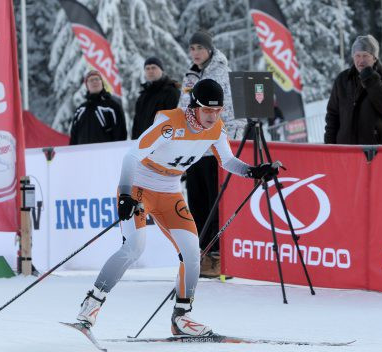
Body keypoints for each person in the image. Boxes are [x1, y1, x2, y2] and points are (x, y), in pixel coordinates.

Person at [74, 79, 280, 337]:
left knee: (192, 252)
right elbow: (131, 156)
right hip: (139, 184)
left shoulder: (216, 128)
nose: (212, 116)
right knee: (134, 247)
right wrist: (126, 194)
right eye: (207, 110)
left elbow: (227, 161)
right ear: (194, 106)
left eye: (217, 111)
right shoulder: (170, 123)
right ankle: (91, 304)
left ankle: (181, 317)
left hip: (170, 190)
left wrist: (253, 172)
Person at [179, 30, 246, 278]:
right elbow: (181, 109)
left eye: (199, 48)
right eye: (192, 48)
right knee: (196, 202)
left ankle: (218, 255)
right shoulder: (189, 75)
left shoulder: (221, 72)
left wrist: (229, 139)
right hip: (194, 149)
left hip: (216, 148)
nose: (195, 53)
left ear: (209, 49)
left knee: (215, 203)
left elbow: (232, 110)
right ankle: (203, 253)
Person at [324, 35, 382, 145]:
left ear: (374, 57)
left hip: (376, 151)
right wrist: (329, 146)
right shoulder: (342, 79)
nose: (361, 60)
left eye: (365, 55)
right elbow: (332, 115)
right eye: (357, 55)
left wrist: (371, 79)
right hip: (346, 151)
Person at [69, 70, 127, 145]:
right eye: (91, 80)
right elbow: (74, 137)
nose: (94, 82)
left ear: (102, 83)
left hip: (106, 153)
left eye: (97, 79)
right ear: (87, 85)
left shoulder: (112, 106)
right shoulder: (80, 110)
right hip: (83, 153)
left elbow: (121, 133)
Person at [131, 57, 180, 139]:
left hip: (163, 142)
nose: (150, 71)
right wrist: (135, 141)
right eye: (147, 68)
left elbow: (176, 120)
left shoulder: (171, 92)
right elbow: (136, 123)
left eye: (154, 67)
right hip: (143, 144)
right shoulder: (142, 96)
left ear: (161, 70)